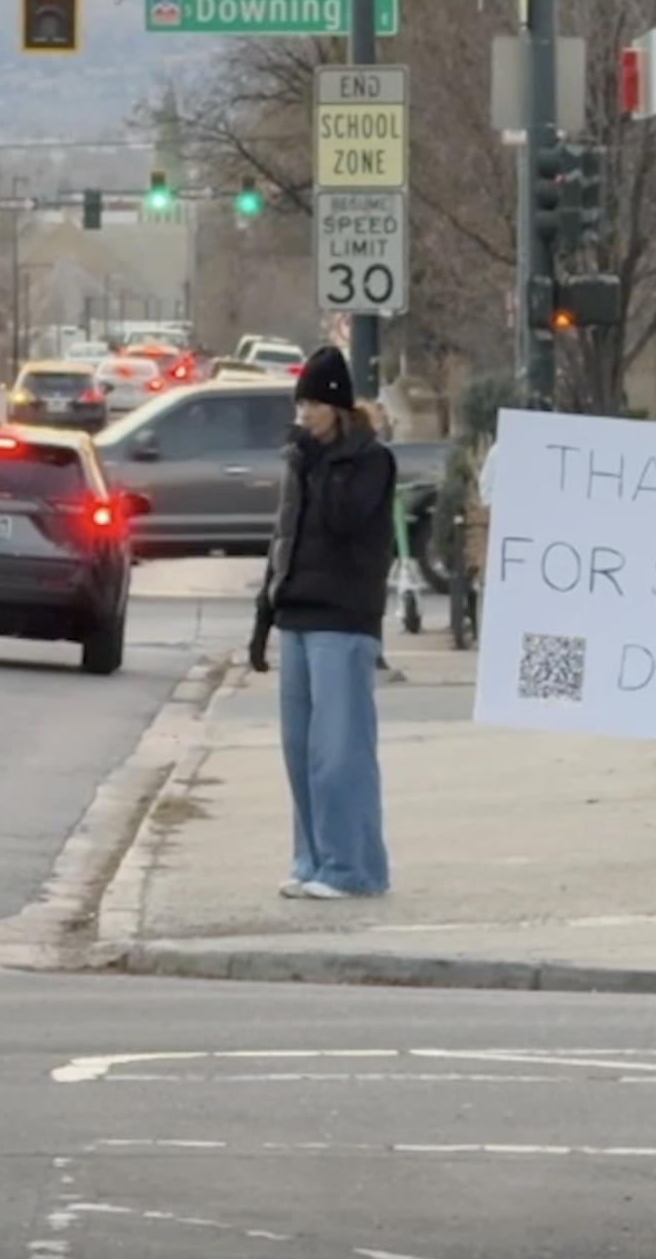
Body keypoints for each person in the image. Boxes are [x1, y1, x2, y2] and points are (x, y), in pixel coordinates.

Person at [246, 346, 396, 900]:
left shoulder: (369, 460)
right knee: (301, 749)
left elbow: (344, 520)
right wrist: (265, 616)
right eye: (300, 403)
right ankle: (311, 858)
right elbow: (283, 538)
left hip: (345, 618)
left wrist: (325, 461)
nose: (304, 414)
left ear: (337, 405)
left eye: (314, 403)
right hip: (298, 614)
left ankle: (353, 868)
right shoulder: (300, 460)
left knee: (340, 751)